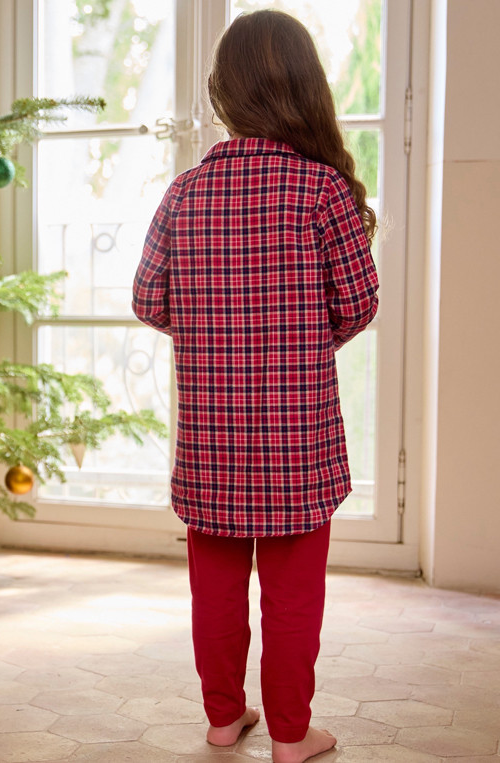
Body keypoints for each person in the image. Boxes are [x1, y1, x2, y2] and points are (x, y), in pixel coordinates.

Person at [132, 9, 379, 763]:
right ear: (307, 89)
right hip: (296, 442)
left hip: (212, 439)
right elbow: (359, 301)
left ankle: (221, 715)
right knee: (293, 594)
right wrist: (300, 343)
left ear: (223, 94)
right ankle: (292, 734)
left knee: (215, 590)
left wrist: (215, 338)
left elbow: (149, 298)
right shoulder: (323, 191)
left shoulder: (186, 192)